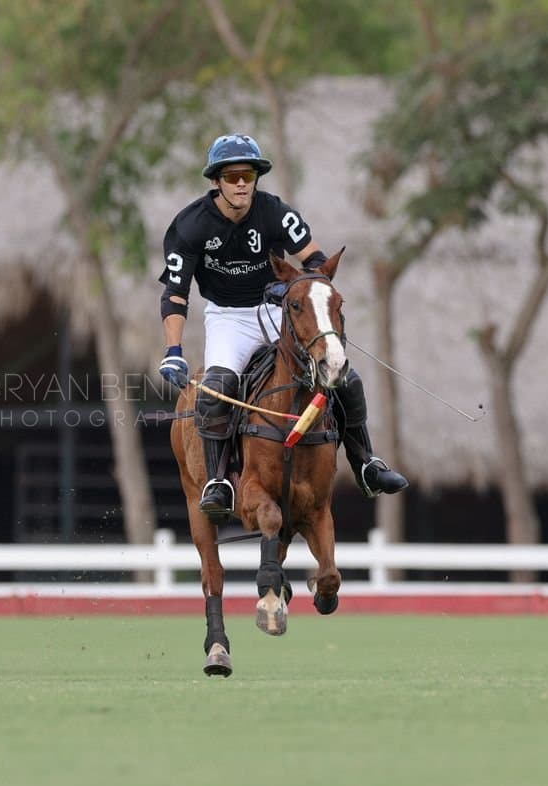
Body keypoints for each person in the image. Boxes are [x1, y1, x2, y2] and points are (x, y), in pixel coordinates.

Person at [157, 133, 407, 520]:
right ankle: (219, 481)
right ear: (216, 182)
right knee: (217, 389)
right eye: (233, 176)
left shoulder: (275, 212)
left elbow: (316, 261)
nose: (242, 183)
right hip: (228, 318)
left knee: (344, 378)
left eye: (249, 175)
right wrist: (173, 352)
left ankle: (366, 463)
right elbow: (175, 294)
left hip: (278, 311)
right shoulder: (189, 226)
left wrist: (302, 293)